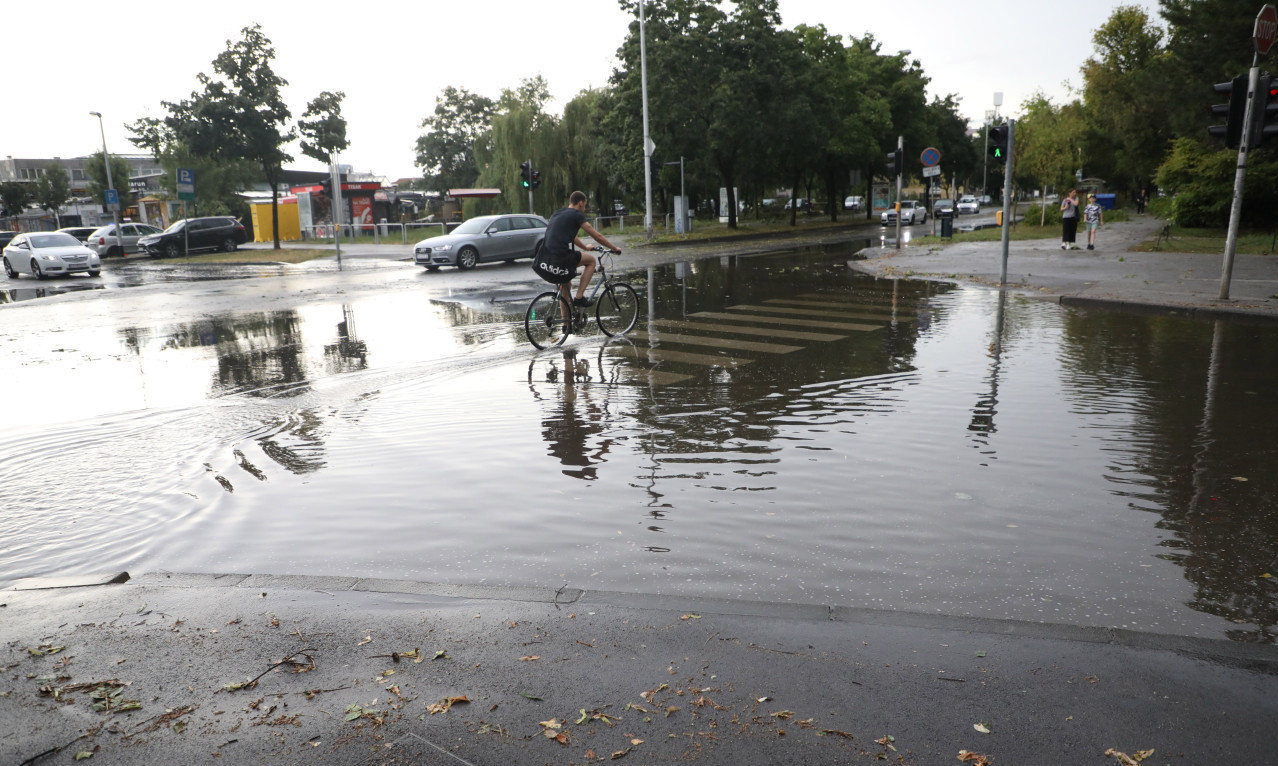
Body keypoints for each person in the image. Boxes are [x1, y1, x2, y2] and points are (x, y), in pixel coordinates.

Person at [534, 191, 621, 306]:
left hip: (545, 259)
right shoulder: (576, 214)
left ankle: (565, 323)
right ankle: (579, 297)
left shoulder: (558, 213)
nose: (584, 209)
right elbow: (597, 236)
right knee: (591, 261)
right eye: (585, 205)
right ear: (580, 203)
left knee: (566, 286)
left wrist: (585, 247)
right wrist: (614, 248)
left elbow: (572, 236)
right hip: (560, 259)